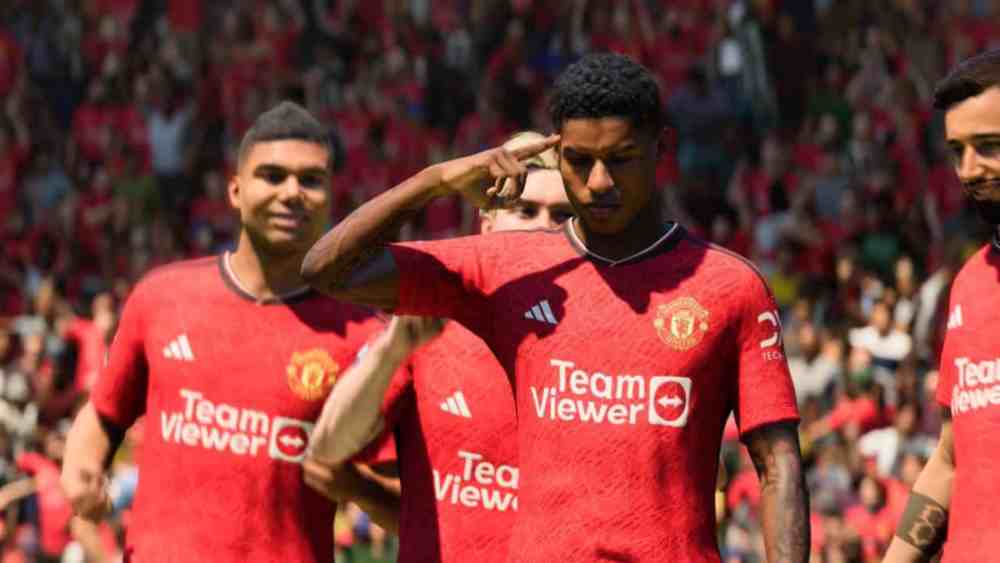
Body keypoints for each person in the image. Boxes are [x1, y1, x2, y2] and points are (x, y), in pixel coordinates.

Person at [301, 53, 808, 562]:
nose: (600, 181)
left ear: (661, 149)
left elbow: (777, 461)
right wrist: (438, 180)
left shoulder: (730, 286)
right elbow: (327, 269)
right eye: (580, 161)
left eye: (621, 158)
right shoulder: (508, 268)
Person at [60, 101, 394, 562]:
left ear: (330, 197)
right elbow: (103, 415)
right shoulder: (161, 297)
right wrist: (82, 468)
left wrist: (356, 487)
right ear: (236, 191)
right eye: (272, 176)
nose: (292, 192)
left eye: (310, 180)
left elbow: (406, 506)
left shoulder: (365, 338)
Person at [304, 131, 573, 563]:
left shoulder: (598, 348)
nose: (543, 226)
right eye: (525, 210)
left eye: (562, 215)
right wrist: (392, 350)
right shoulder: (429, 329)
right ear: (487, 225)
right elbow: (327, 452)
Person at [885, 48, 1000, 562]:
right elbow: (953, 459)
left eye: (990, 147)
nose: (969, 169)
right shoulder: (968, 285)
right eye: (957, 151)